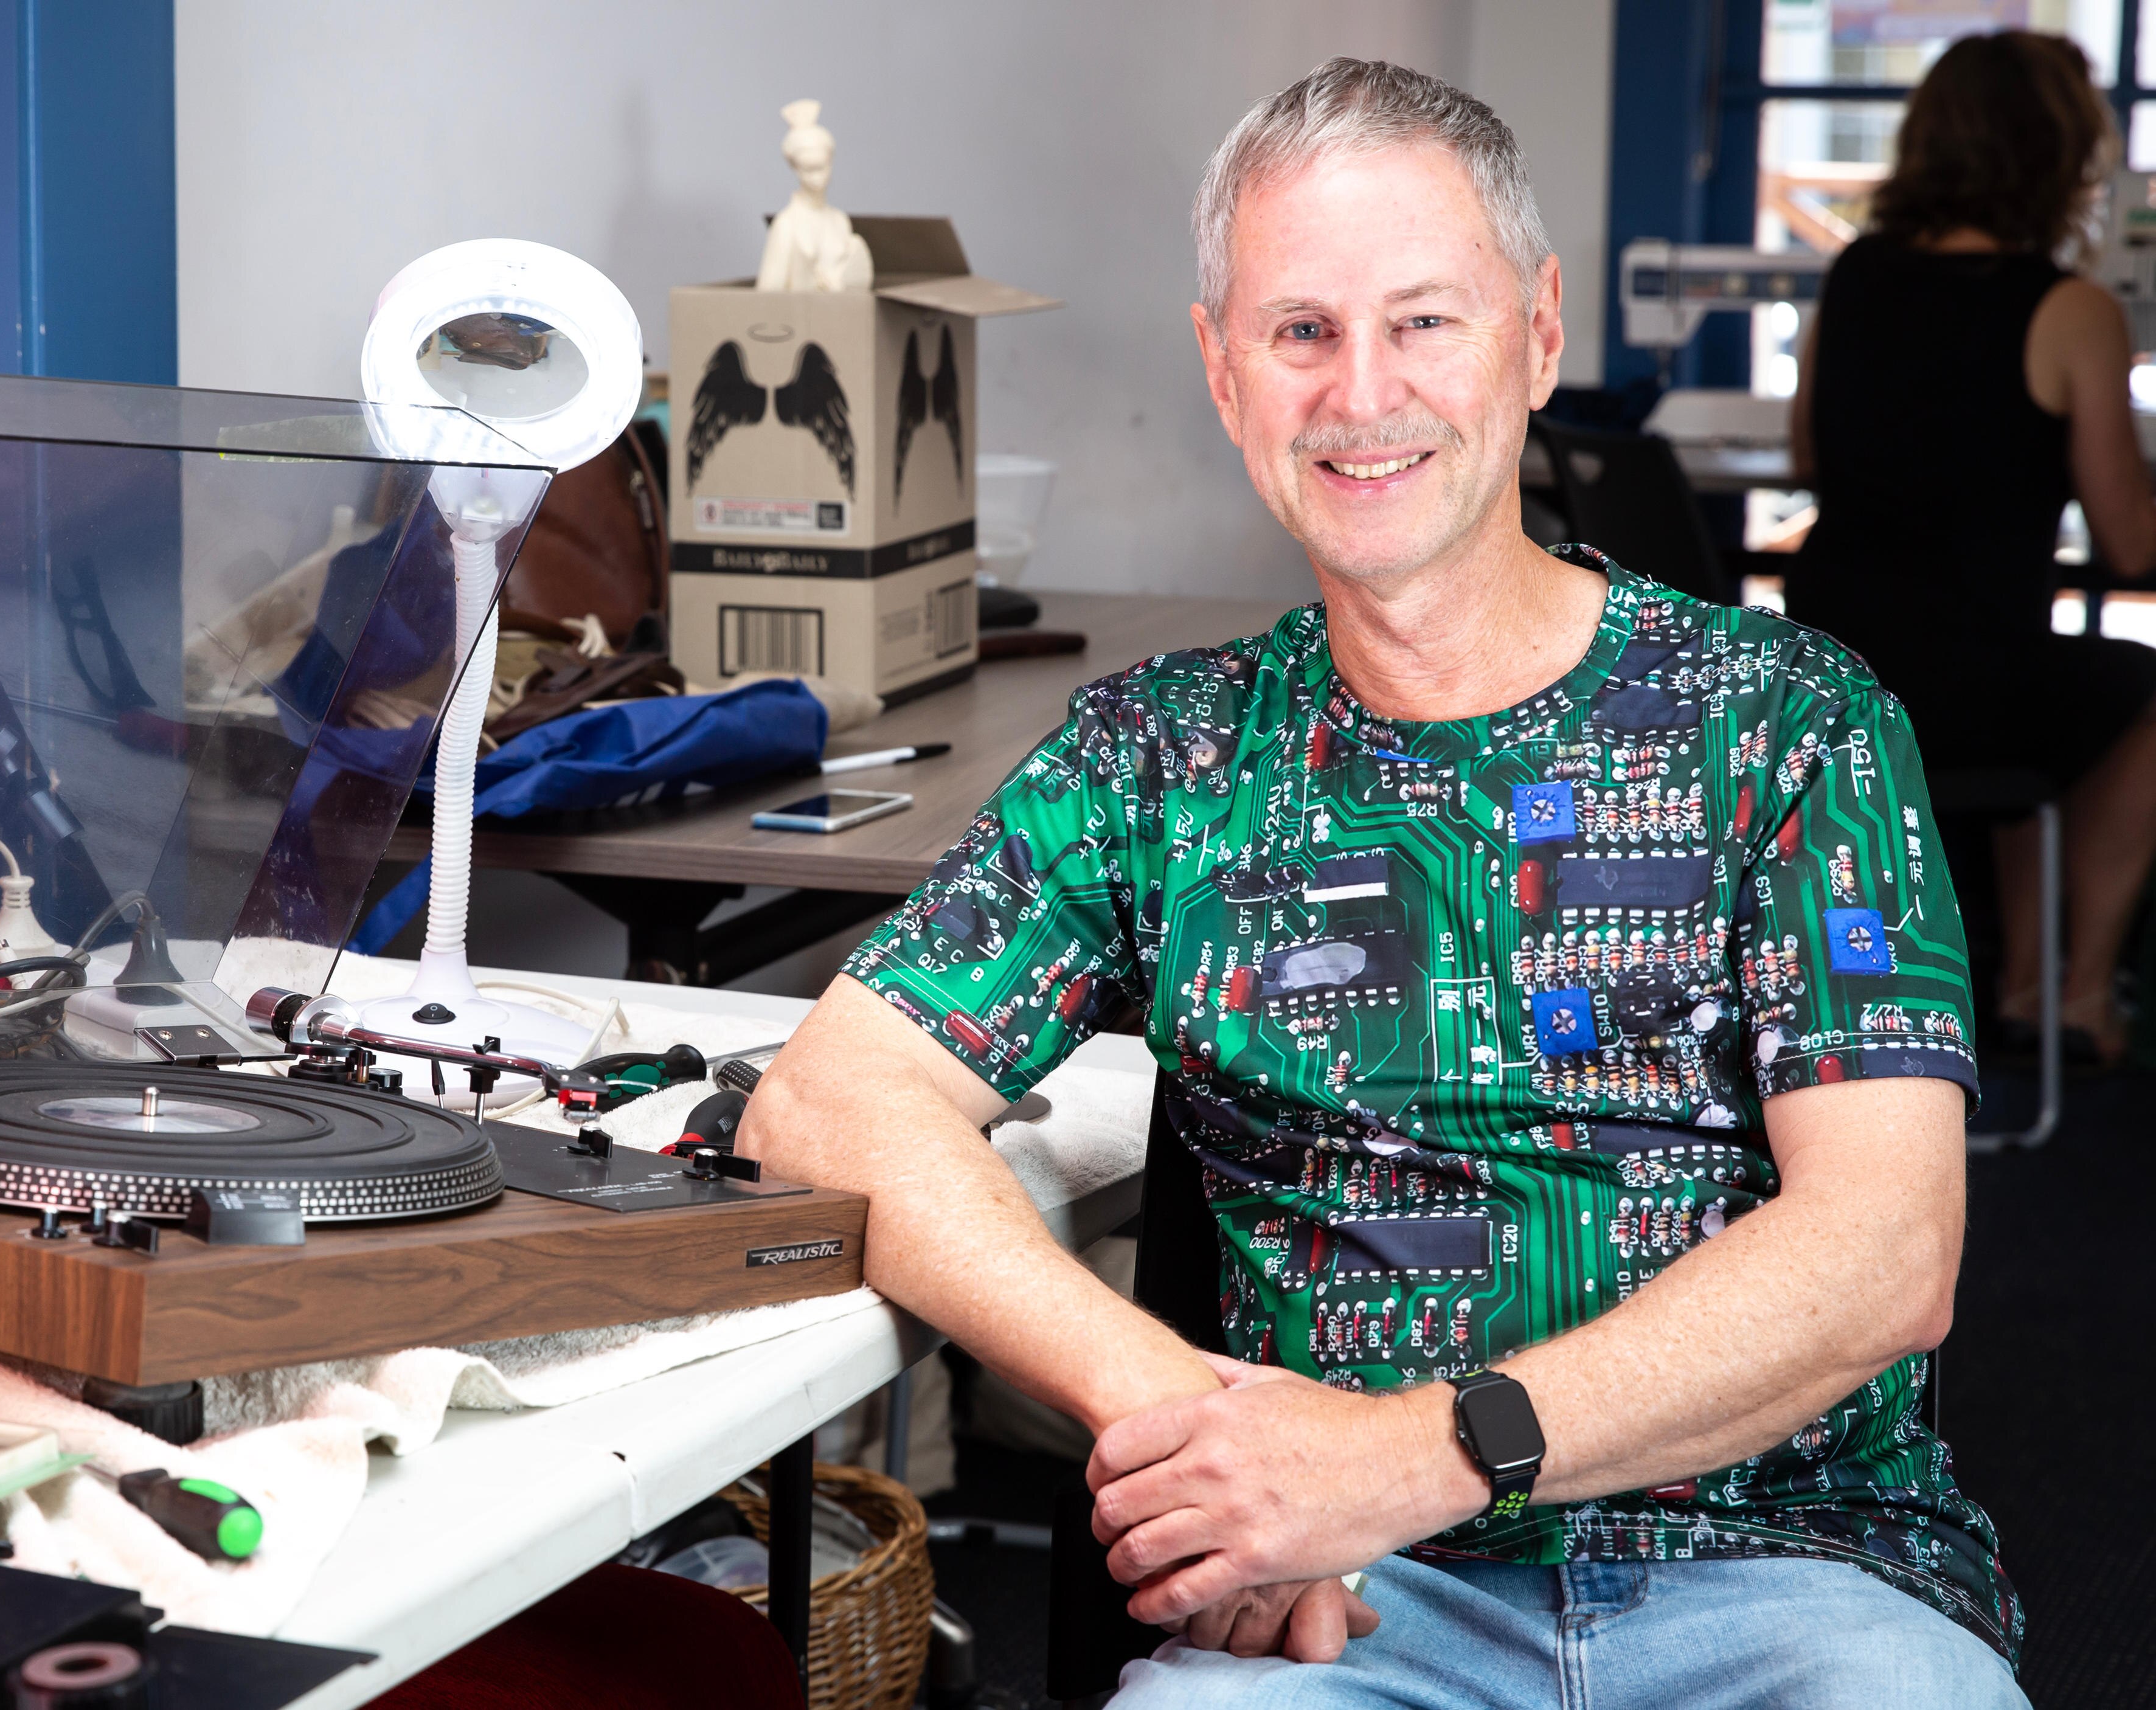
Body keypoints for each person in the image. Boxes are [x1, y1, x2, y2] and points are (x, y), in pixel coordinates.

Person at [741, 58, 2028, 1707]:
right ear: (1223, 370)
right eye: (1301, 332)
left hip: (1796, 1575)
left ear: (1540, 334)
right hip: (1349, 1611)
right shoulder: (1164, 754)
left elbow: (1886, 1253)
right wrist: (1208, 1433)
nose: (1363, 395)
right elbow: (835, 1103)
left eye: (1426, 321)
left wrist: (1419, 1453)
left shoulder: (1791, 723)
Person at [1786, 30, 2156, 1066]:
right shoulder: (2069, 309)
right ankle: (2073, 998)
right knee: (2134, 688)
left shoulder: (1856, 277)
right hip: (1975, 684)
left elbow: (1807, 454)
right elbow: (2131, 543)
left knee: (2045, 693)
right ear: (2062, 158)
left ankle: (2007, 985)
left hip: (1835, 678)